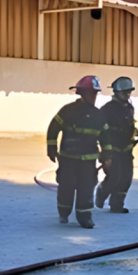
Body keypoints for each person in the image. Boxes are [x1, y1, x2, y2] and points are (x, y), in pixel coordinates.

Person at [46, 76, 112, 229]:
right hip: (68, 158)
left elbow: (105, 137)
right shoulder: (68, 111)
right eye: (91, 93)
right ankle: (64, 212)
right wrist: (51, 148)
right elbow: (53, 128)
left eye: (95, 94)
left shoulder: (98, 114)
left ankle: (85, 217)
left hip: (88, 161)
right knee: (66, 187)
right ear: (81, 93)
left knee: (87, 188)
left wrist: (107, 156)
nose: (93, 97)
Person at [96, 77, 138, 213]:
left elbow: (130, 127)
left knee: (126, 177)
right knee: (114, 177)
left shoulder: (129, 108)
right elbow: (100, 131)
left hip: (126, 149)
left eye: (129, 92)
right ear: (116, 92)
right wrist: (103, 152)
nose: (127, 95)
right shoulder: (106, 109)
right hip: (112, 150)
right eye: (124, 92)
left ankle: (117, 204)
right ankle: (102, 192)